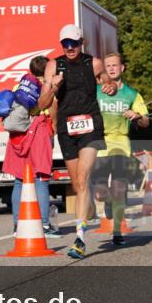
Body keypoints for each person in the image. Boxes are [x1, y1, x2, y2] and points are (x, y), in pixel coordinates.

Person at [41, 24, 115, 259]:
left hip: (90, 126)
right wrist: (52, 87)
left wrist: (109, 86)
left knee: (82, 179)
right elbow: (42, 104)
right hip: (66, 128)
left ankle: (80, 238)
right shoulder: (53, 65)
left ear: (81, 42)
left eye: (74, 43)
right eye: (66, 44)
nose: (70, 48)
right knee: (78, 184)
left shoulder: (93, 63)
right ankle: (91, 206)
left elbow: (107, 81)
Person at [92, 52, 149, 245]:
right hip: (100, 144)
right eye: (108, 66)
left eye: (115, 65)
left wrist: (136, 116)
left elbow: (146, 121)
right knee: (100, 193)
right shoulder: (96, 91)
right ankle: (106, 201)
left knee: (118, 189)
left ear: (122, 68)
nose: (111, 68)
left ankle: (117, 231)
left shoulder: (132, 94)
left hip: (121, 143)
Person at [3, 56, 58, 235]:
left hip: (18, 135)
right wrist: (55, 127)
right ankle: (44, 225)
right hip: (39, 131)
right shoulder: (46, 87)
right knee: (41, 179)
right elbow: (52, 107)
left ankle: (17, 225)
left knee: (19, 180)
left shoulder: (19, 86)